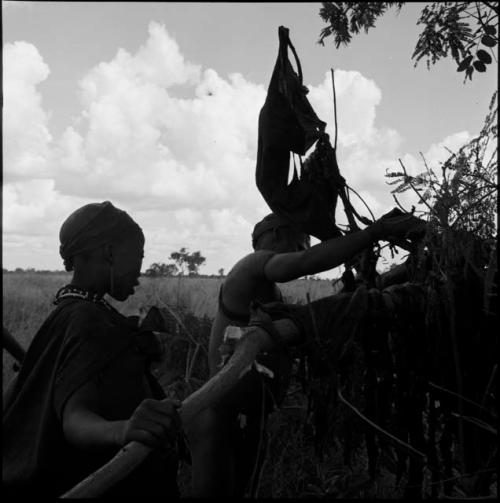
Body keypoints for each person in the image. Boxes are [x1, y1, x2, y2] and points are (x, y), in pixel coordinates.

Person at [188, 209, 426, 497]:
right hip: (219, 414)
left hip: (252, 416)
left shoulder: (268, 292)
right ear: (276, 235)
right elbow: (304, 264)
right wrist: (372, 233)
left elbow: (319, 317)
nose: (306, 250)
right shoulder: (249, 267)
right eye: (303, 242)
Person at [3, 201, 182, 499]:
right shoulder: (87, 318)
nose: (140, 271)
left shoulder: (73, 311)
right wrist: (123, 430)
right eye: (138, 256)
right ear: (109, 252)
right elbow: (75, 419)